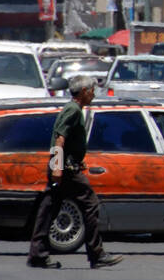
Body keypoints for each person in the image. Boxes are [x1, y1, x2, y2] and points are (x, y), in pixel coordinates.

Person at [26, 74, 123, 269]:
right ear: (85, 92)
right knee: (91, 204)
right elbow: (59, 138)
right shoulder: (73, 110)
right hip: (66, 171)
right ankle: (96, 254)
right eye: (92, 91)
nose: (94, 94)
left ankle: (38, 254)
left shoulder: (73, 109)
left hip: (66, 167)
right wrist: (58, 166)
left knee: (48, 208)